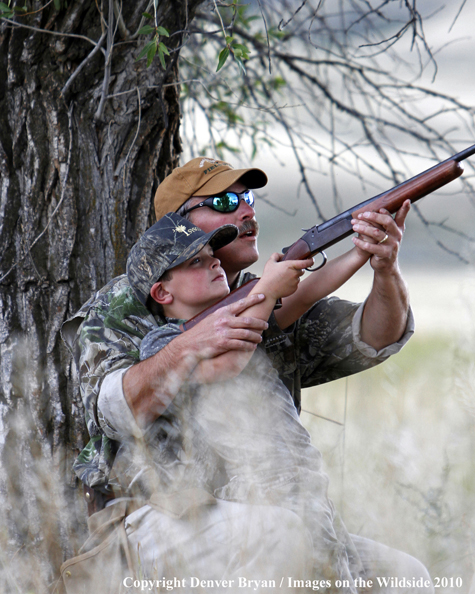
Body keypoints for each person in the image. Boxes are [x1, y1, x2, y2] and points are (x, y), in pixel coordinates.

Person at [61, 157, 430, 592]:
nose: (246, 211)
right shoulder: (132, 307)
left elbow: (370, 333)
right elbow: (117, 406)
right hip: (167, 513)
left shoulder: (256, 292)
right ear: (179, 224)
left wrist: (376, 261)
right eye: (223, 200)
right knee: (282, 538)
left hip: (279, 497)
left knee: (406, 577)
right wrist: (202, 338)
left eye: (249, 199)